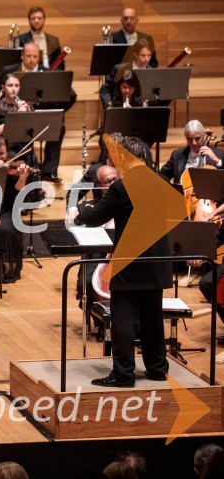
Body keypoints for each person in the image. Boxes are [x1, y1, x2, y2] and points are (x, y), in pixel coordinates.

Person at [74, 136, 170, 387]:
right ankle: (157, 367)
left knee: (123, 318)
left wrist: (80, 211)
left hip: (130, 262)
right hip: (159, 261)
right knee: (152, 317)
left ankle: (124, 373)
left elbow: (95, 217)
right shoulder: (162, 181)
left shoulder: (123, 187)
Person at [0, 42, 75, 181]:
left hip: (38, 111)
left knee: (59, 127)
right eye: (28, 56)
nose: (31, 59)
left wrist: (38, 103)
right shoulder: (10, 70)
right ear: (22, 56)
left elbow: (68, 95)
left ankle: (49, 170)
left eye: (35, 56)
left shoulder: (46, 72)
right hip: (12, 111)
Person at [160, 120, 224, 183]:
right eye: (190, 139)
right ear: (186, 137)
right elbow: (162, 176)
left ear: (203, 136)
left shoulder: (219, 155)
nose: (194, 143)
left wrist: (217, 161)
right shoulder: (177, 155)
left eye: (197, 138)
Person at [99, 39, 157, 110]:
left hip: (144, 112)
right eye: (143, 55)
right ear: (135, 54)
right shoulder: (120, 69)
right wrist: (109, 105)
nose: (146, 59)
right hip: (120, 110)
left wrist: (149, 103)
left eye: (149, 55)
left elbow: (155, 94)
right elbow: (105, 90)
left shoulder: (152, 72)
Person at [0, 73, 32, 144]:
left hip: (22, 144)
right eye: (10, 85)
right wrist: (17, 116)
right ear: (3, 88)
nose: (13, 89)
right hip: (5, 145)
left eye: (17, 86)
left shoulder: (24, 105)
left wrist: (29, 111)